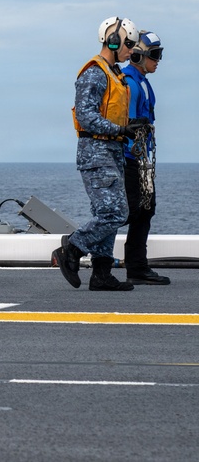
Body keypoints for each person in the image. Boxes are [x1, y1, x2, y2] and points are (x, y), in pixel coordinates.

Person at [53, 16, 144, 292]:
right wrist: (121, 129)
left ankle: (101, 274)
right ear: (113, 41)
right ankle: (72, 248)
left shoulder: (114, 73)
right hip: (96, 151)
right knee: (116, 211)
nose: (131, 50)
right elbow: (86, 115)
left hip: (112, 149)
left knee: (107, 211)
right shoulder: (95, 73)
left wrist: (130, 129)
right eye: (128, 44)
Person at [120, 30, 169, 285]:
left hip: (141, 159)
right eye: (155, 55)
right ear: (139, 56)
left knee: (145, 210)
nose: (158, 60)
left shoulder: (143, 81)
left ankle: (137, 267)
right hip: (129, 157)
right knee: (128, 211)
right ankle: (76, 246)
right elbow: (125, 122)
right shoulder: (129, 83)